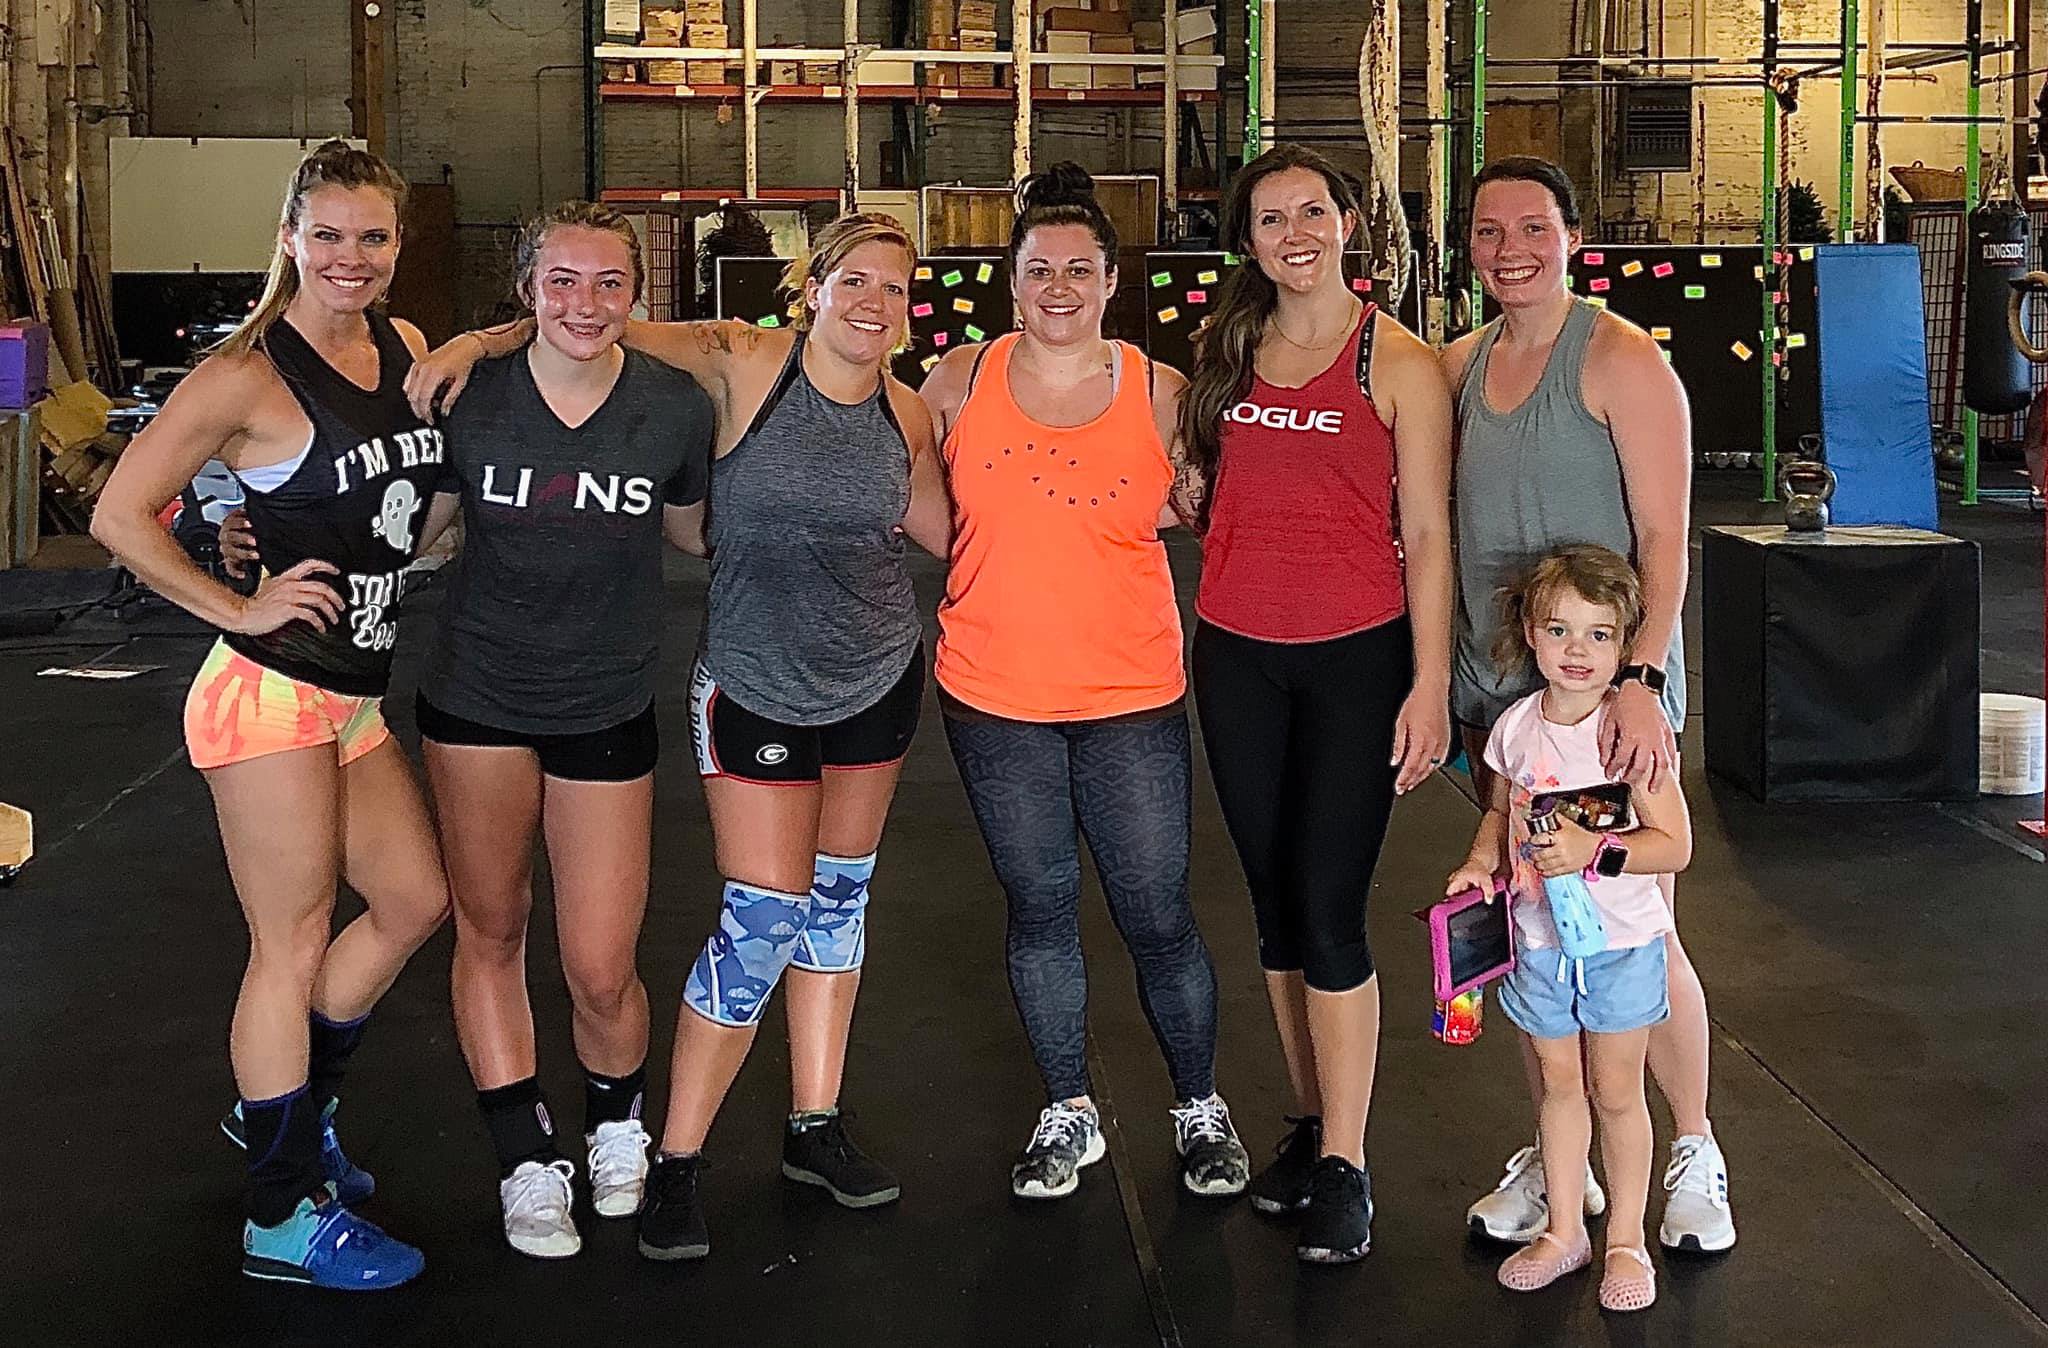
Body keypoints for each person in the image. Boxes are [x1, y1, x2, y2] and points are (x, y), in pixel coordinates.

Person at [408, 212, 949, 1263]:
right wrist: (476, 339)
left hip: (874, 676)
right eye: (854, 281)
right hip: (750, 681)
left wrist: (1118, 504)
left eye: (893, 287)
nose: (873, 303)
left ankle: (812, 1125)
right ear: (812, 287)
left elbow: (949, 529)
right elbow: (593, 327)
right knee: (761, 922)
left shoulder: (907, 411)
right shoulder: (740, 363)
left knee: (834, 913)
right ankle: (677, 1156)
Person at [91, 140, 448, 1289]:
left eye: (372, 236)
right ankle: (281, 1214)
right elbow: (119, 513)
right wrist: (237, 603)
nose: (351, 256)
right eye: (328, 234)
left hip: (352, 694)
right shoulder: (244, 376)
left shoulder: (403, 346)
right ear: (291, 238)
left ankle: (282, 1114)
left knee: (412, 901)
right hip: (270, 693)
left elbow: (409, 510)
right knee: (287, 945)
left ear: (397, 245)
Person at [918, 163, 1250, 1202]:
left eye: (1077, 268)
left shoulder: (1160, 394)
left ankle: (1198, 1106)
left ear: (1110, 279)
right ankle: (1067, 1107)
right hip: (993, 695)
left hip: (1128, 698)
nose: (1056, 286)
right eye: (1037, 268)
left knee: (1155, 913)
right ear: (1010, 280)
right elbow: (899, 489)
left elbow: (1217, 510)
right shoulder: (956, 381)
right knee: (1040, 907)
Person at [1443, 156, 1734, 1255]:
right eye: (1488, 231)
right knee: (1533, 929)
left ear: (1572, 236)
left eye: (1533, 227)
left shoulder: (1618, 358)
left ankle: (1692, 1147)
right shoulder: (1461, 363)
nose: (1509, 249)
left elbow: (1663, 536)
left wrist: (1642, 679)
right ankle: (1558, 1156)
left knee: (1638, 929)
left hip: (1613, 690)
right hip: (1510, 685)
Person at [412, 202, 714, 1258]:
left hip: (605, 704)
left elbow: (696, 533)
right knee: (490, 928)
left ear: (637, 293)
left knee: (599, 961)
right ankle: (524, 1159)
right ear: (527, 290)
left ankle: (616, 1124)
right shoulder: (469, 398)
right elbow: (418, 531)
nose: (585, 304)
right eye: (562, 282)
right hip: (478, 700)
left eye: (609, 283)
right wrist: (256, 534)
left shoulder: (672, 408)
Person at [1178, 144, 1454, 1264]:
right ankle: (1305, 1121)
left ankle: (1346, 1160)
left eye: (1310, 211)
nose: (1292, 233)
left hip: (1356, 661)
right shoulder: (1225, 349)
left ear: (1347, 222)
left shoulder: (1398, 362)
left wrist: (1428, 683)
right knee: (1274, 908)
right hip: (1236, 655)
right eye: (1269, 219)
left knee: (1330, 908)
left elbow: (1427, 531)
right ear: (1246, 242)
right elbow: (1200, 487)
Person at [1445, 544, 1694, 1313]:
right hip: (1538, 944)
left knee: (1615, 1091)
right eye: (1559, 630)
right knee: (1558, 1086)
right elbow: (1501, 811)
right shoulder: (1516, 728)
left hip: (1619, 947)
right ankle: (1563, 1231)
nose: (1577, 650)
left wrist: (1598, 852)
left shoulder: (1630, 737)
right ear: (1530, 632)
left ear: (1625, 644)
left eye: (1599, 634)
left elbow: (1675, 846)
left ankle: (1625, 1239)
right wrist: (1479, 864)